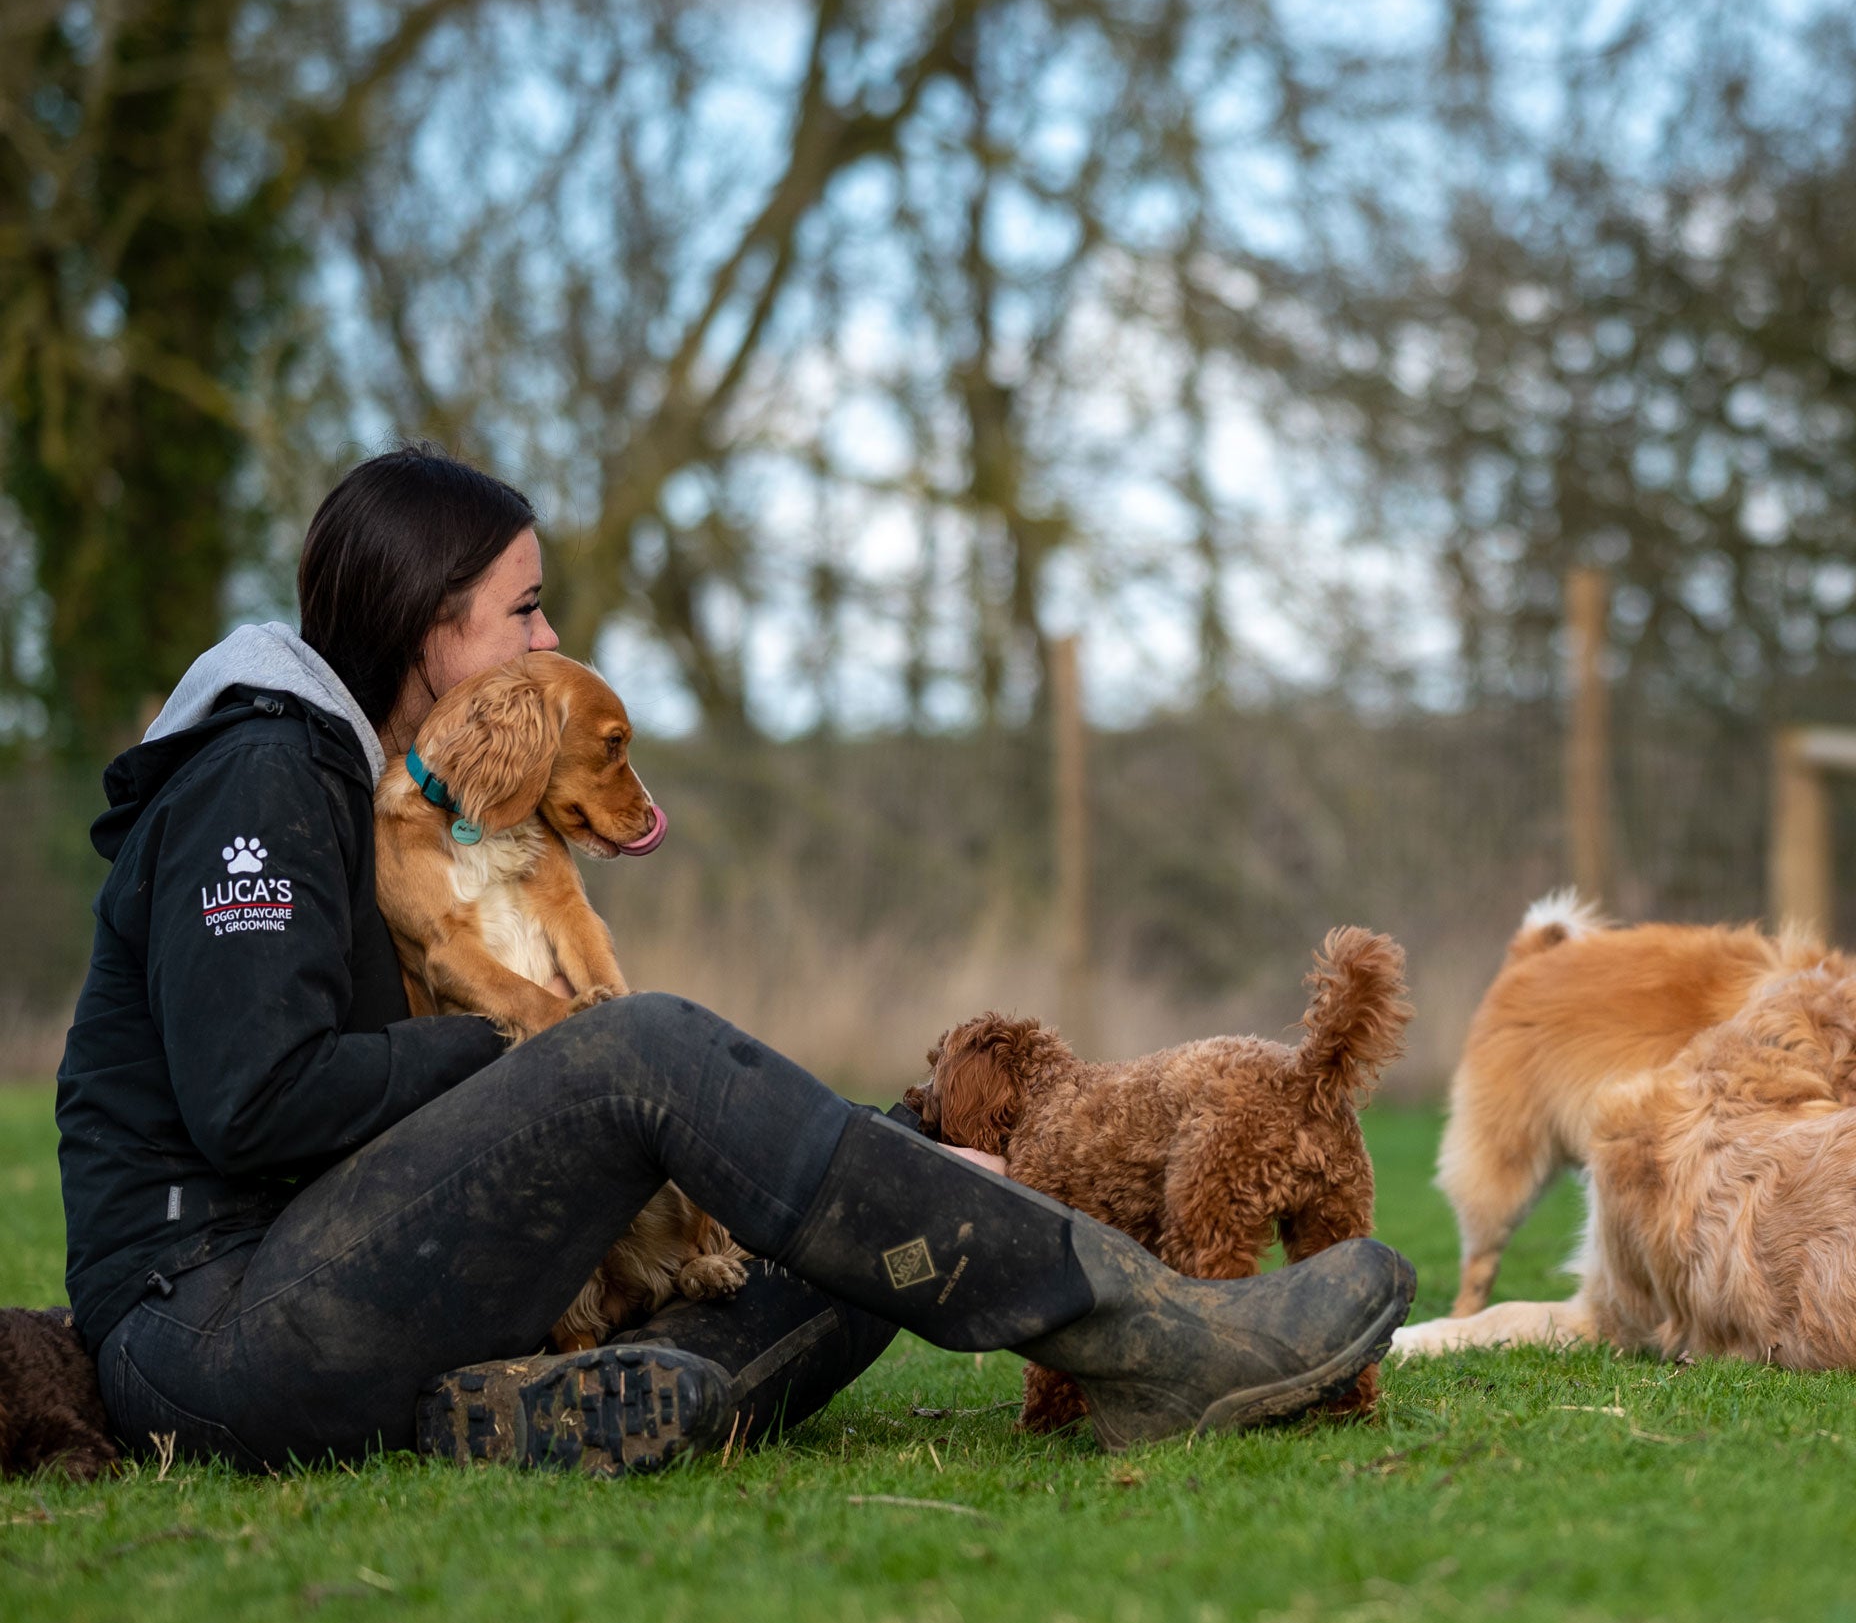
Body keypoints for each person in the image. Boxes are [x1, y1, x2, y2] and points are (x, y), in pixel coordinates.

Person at [57, 445, 1410, 1473]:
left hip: (325, 1279)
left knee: (863, 1214)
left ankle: (562, 1408)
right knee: (629, 1047)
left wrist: (885, 1162)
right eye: (525, 612)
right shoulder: (263, 773)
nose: (548, 644)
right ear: (430, 624)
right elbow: (255, 1100)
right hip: (212, 1333)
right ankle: (1151, 1337)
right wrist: (510, 1039)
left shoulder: (375, 784)